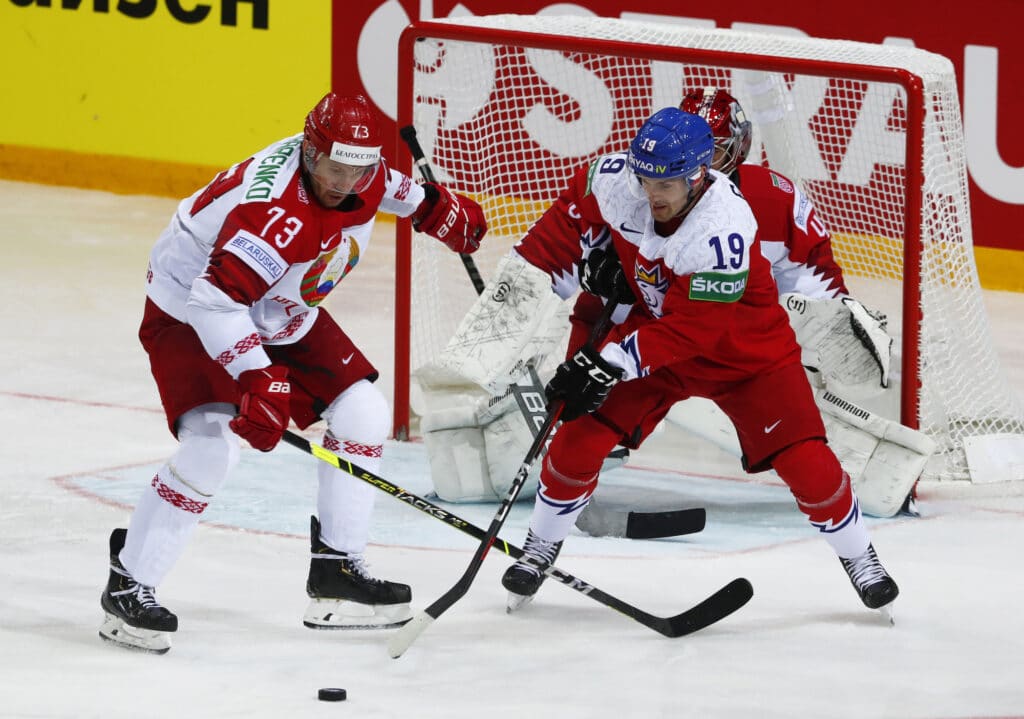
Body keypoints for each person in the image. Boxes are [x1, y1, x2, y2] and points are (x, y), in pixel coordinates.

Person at [421, 88, 929, 521]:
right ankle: (573, 470)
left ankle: (846, 494)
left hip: (732, 342)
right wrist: (593, 264)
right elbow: (569, 239)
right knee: (586, 382)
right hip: (646, 325)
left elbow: (819, 293)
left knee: (800, 428)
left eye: (721, 153)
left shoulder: (773, 202)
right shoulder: (634, 186)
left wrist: (823, 350)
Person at [98, 92, 487, 653]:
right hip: (190, 311)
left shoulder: (356, 169)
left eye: (359, 170)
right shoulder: (275, 214)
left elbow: (401, 192)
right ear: (309, 151)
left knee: (363, 413)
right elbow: (214, 302)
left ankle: (338, 574)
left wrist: (438, 211)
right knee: (211, 447)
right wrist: (259, 377)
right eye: (334, 169)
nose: (346, 183)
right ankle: (130, 584)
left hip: (278, 307)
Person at [497, 107, 899, 615]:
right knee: (576, 440)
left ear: (698, 174)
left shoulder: (723, 227)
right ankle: (539, 548)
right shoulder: (615, 179)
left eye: (665, 183)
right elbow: (566, 221)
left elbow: (697, 329)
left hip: (746, 354)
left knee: (808, 466)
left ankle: (861, 559)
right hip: (652, 338)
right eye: (645, 179)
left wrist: (608, 362)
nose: (651, 194)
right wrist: (564, 270)